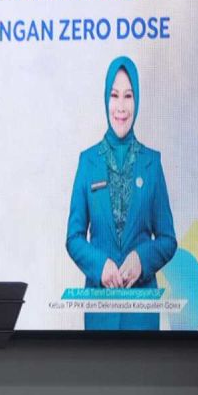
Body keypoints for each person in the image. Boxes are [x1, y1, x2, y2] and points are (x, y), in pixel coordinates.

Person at [66, 57, 177, 330]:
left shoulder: (152, 163)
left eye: (128, 96)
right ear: (106, 99)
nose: (121, 106)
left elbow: (168, 239)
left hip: (142, 311)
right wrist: (100, 265)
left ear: (137, 100)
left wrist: (141, 259)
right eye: (114, 96)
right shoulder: (88, 162)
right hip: (100, 309)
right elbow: (74, 237)